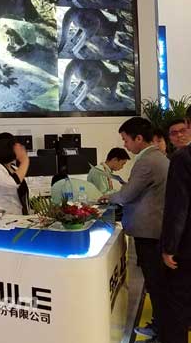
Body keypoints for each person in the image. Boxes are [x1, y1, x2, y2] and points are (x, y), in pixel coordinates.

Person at [100, 117, 169, 341]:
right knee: (156, 282)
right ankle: (160, 326)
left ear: (139, 138)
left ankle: (161, 330)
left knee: (155, 283)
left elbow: (127, 194)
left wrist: (107, 198)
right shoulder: (155, 158)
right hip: (152, 229)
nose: (125, 145)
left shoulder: (147, 161)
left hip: (149, 232)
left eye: (125, 139)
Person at [160, 106, 191, 343]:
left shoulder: (183, 158)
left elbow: (178, 207)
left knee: (178, 303)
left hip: (187, 247)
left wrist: (169, 247)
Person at [0, 132, 30, 215]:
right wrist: (25, 160)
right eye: (15, 147)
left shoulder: (14, 168)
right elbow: (12, 183)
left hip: (16, 216)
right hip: (1, 217)